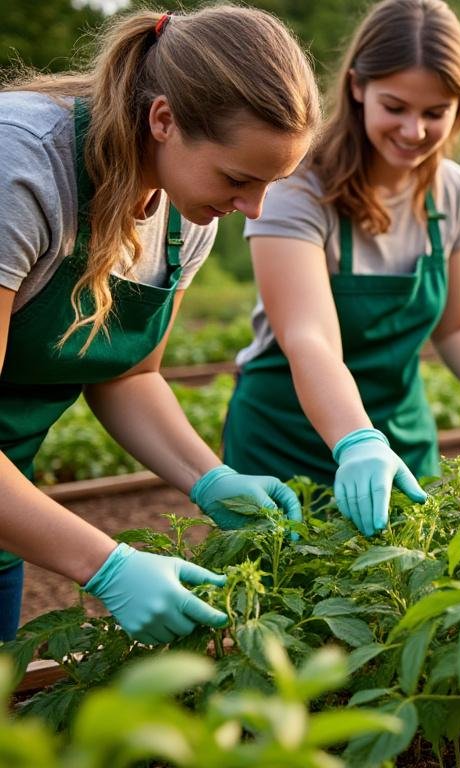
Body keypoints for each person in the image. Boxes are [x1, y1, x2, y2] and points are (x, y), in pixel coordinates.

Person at [0, 7, 319, 644]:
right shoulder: (23, 167)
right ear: (164, 119)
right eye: (238, 178)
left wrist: (211, 479)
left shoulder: (185, 213)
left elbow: (128, 374)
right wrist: (107, 565)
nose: (250, 208)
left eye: (270, 185)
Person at [221, 0, 460, 539]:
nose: (414, 130)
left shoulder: (451, 191)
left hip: (402, 442)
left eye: (436, 112)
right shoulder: (299, 185)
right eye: (397, 106)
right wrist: (358, 441)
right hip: (286, 439)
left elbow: (457, 327)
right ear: (358, 86)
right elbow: (308, 339)